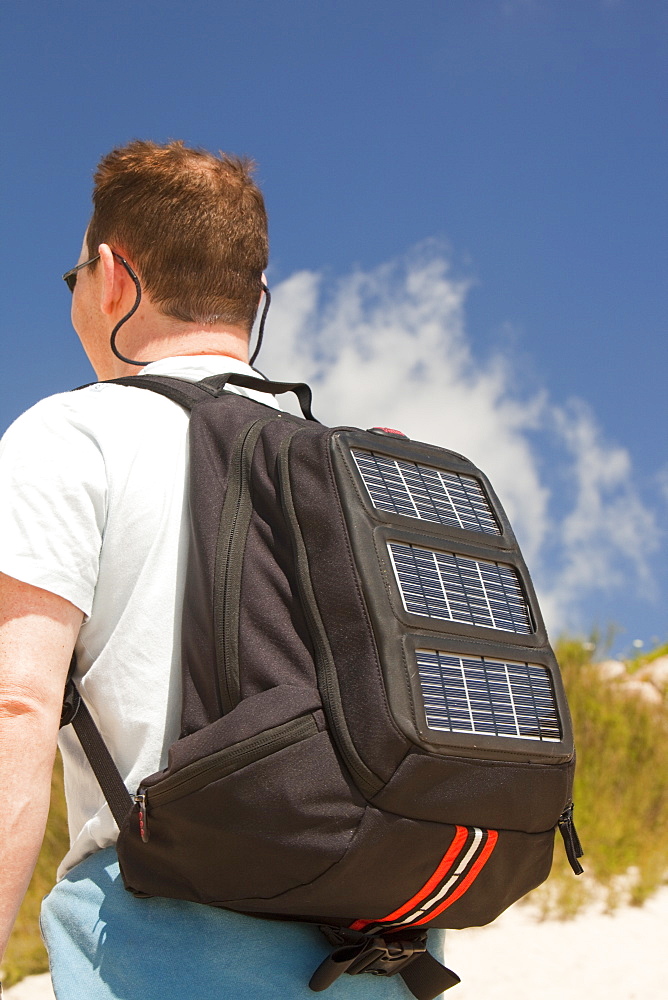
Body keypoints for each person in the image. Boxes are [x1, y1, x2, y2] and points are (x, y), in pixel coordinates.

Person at [0, 140, 445, 998]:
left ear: (112, 275)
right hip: (376, 950)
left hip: (160, 944)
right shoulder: (354, 465)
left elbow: (16, 705)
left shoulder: (71, 435)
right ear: (258, 302)